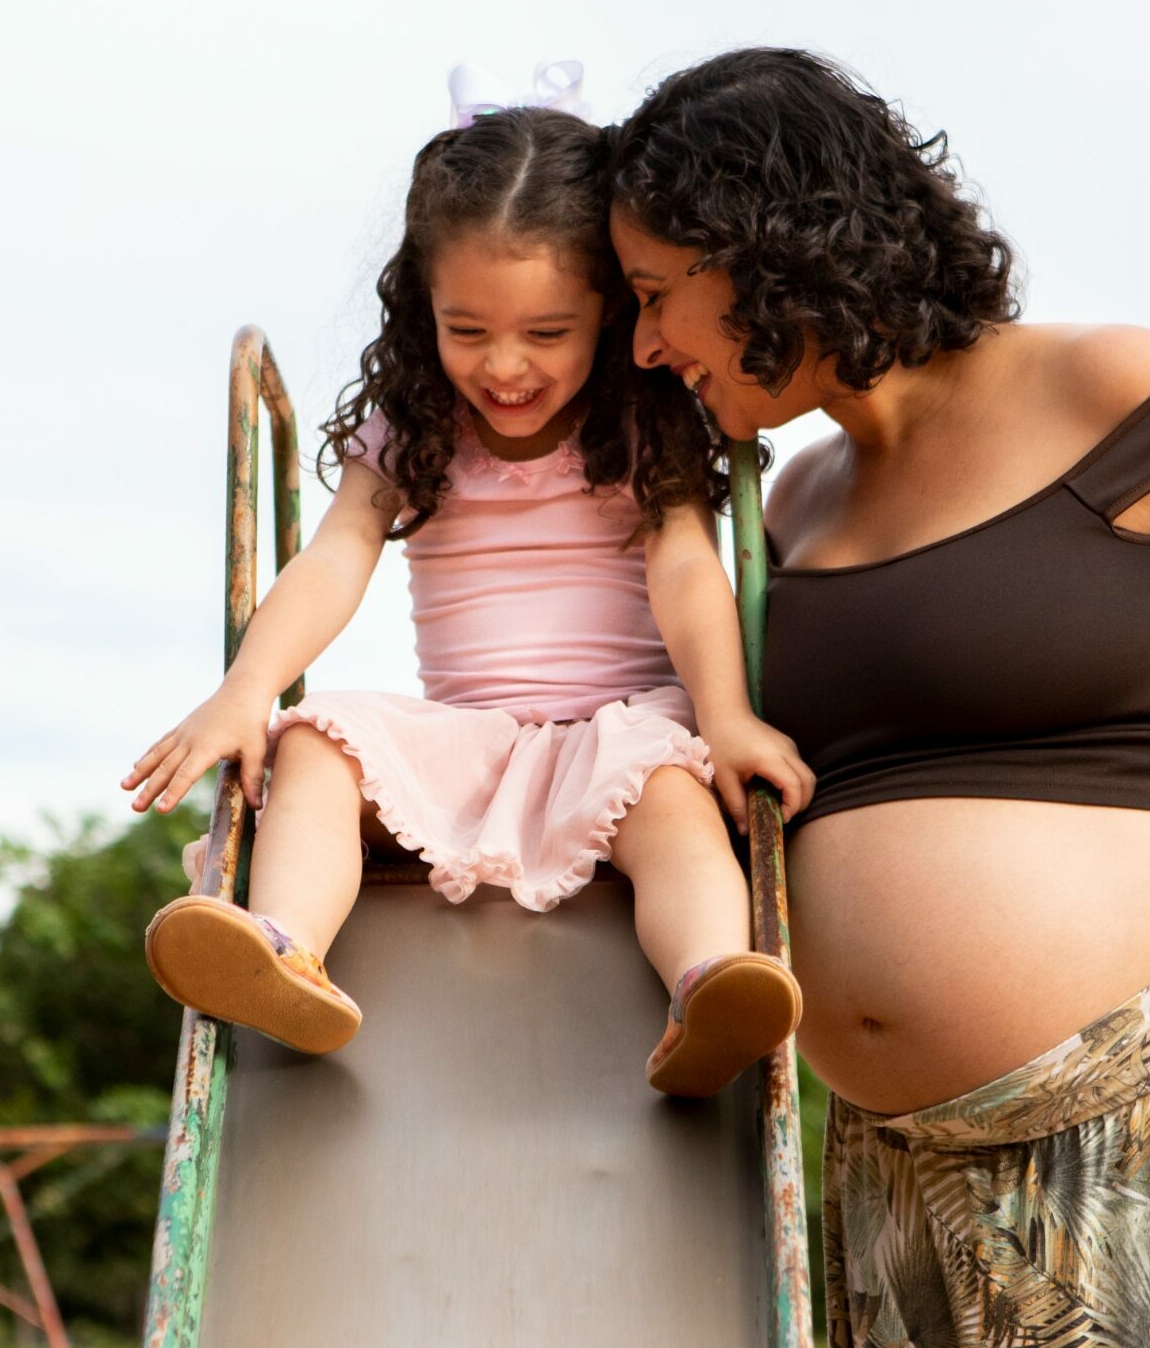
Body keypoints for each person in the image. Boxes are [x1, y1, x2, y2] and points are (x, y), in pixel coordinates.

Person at [610, 49, 1150, 1342]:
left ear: (764, 240)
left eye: (653, 294)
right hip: (906, 1190)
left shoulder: (1110, 390)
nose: (643, 343)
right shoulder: (788, 507)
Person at [124, 100, 813, 1098]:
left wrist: (728, 717)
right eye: (466, 329)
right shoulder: (415, 424)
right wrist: (247, 691)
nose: (504, 364)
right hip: (466, 737)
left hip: (615, 728)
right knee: (315, 745)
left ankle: (711, 984)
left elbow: (687, 571)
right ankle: (282, 950)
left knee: (672, 802)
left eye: (546, 331)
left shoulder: (639, 421)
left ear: (613, 315)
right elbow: (336, 555)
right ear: (422, 311)